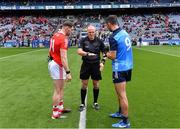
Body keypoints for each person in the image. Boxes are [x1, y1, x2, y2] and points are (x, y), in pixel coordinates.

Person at [105, 15, 133, 128]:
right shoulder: (125, 33)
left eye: (106, 24)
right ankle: (120, 112)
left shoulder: (113, 36)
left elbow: (113, 55)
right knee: (120, 94)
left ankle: (125, 121)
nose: (106, 26)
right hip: (128, 66)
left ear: (109, 24)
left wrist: (106, 54)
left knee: (122, 95)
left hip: (119, 68)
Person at [77, 25, 106, 112]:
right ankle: (82, 103)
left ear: (95, 32)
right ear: (87, 32)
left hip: (96, 65)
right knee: (84, 84)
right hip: (86, 64)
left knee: (96, 84)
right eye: (89, 32)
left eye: (93, 32)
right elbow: (79, 51)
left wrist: (102, 62)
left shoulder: (99, 41)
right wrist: (87, 54)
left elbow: (105, 52)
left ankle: (95, 102)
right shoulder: (83, 40)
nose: (91, 33)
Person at [48, 21, 73, 119]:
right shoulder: (63, 39)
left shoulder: (55, 35)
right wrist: (68, 72)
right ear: (66, 28)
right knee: (58, 90)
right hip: (58, 64)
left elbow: (50, 50)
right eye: (71, 29)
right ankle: (55, 113)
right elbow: (63, 57)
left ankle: (60, 107)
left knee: (61, 88)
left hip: (53, 62)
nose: (71, 31)